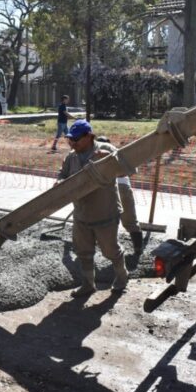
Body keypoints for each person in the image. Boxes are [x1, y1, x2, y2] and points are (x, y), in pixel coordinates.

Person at [55, 119, 128, 297]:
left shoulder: (106, 150)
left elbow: (125, 170)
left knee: (110, 250)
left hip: (105, 212)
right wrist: (59, 182)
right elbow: (62, 175)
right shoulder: (72, 157)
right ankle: (88, 284)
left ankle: (122, 276)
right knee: (83, 252)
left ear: (89, 137)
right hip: (82, 214)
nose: (73, 143)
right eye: (71, 140)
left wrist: (109, 161)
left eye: (77, 139)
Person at [96, 136, 144, 255]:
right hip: (122, 188)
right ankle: (138, 249)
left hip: (115, 188)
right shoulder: (117, 154)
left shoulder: (97, 155)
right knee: (130, 221)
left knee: (100, 220)